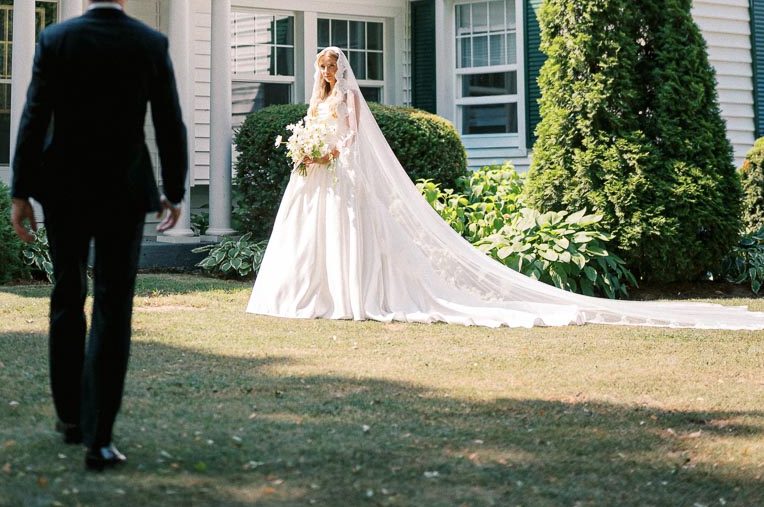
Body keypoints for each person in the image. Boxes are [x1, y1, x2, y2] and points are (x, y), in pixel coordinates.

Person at [248, 47, 764, 330]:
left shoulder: (350, 100)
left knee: (352, 236)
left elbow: (355, 136)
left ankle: (350, 295)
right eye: (323, 68)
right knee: (307, 238)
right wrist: (306, 151)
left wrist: (328, 151)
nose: (328, 74)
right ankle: (308, 294)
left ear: (342, 70)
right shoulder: (314, 102)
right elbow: (314, 127)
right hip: (314, 177)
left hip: (340, 169)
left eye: (332, 67)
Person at [11, 0, 188, 471]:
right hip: (122, 194)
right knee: (114, 307)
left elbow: (33, 118)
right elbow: (168, 123)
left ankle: (70, 418)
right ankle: (99, 438)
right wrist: (175, 191)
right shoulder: (149, 43)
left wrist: (20, 191)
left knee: (67, 297)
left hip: (63, 191)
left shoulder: (56, 39)